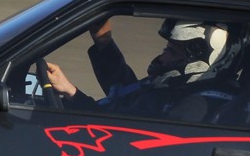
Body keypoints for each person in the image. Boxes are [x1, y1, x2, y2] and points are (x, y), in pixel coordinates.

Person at [43, 17, 230, 122]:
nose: (163, 58)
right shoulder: (176, 90)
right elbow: (128, 92)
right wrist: (103, 42)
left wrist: (73, 94)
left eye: (171, 51)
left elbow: (113, 131)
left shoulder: (193, 108)